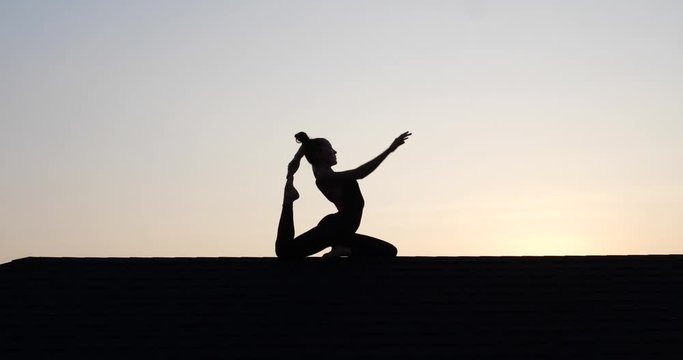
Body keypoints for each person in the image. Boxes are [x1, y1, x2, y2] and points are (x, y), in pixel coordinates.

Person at [276, 131, 411, 259]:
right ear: (318, 154)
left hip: (341, 234)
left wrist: (296, 160)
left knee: (388, 251)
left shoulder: (319, 170)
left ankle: (343, 248)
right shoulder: (324, 177)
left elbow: (306, 147)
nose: (335, 151)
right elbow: (360, 173)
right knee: (285, 251)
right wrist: (390, 149)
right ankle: (288, 201)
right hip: (333, 230)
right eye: (330, 148)